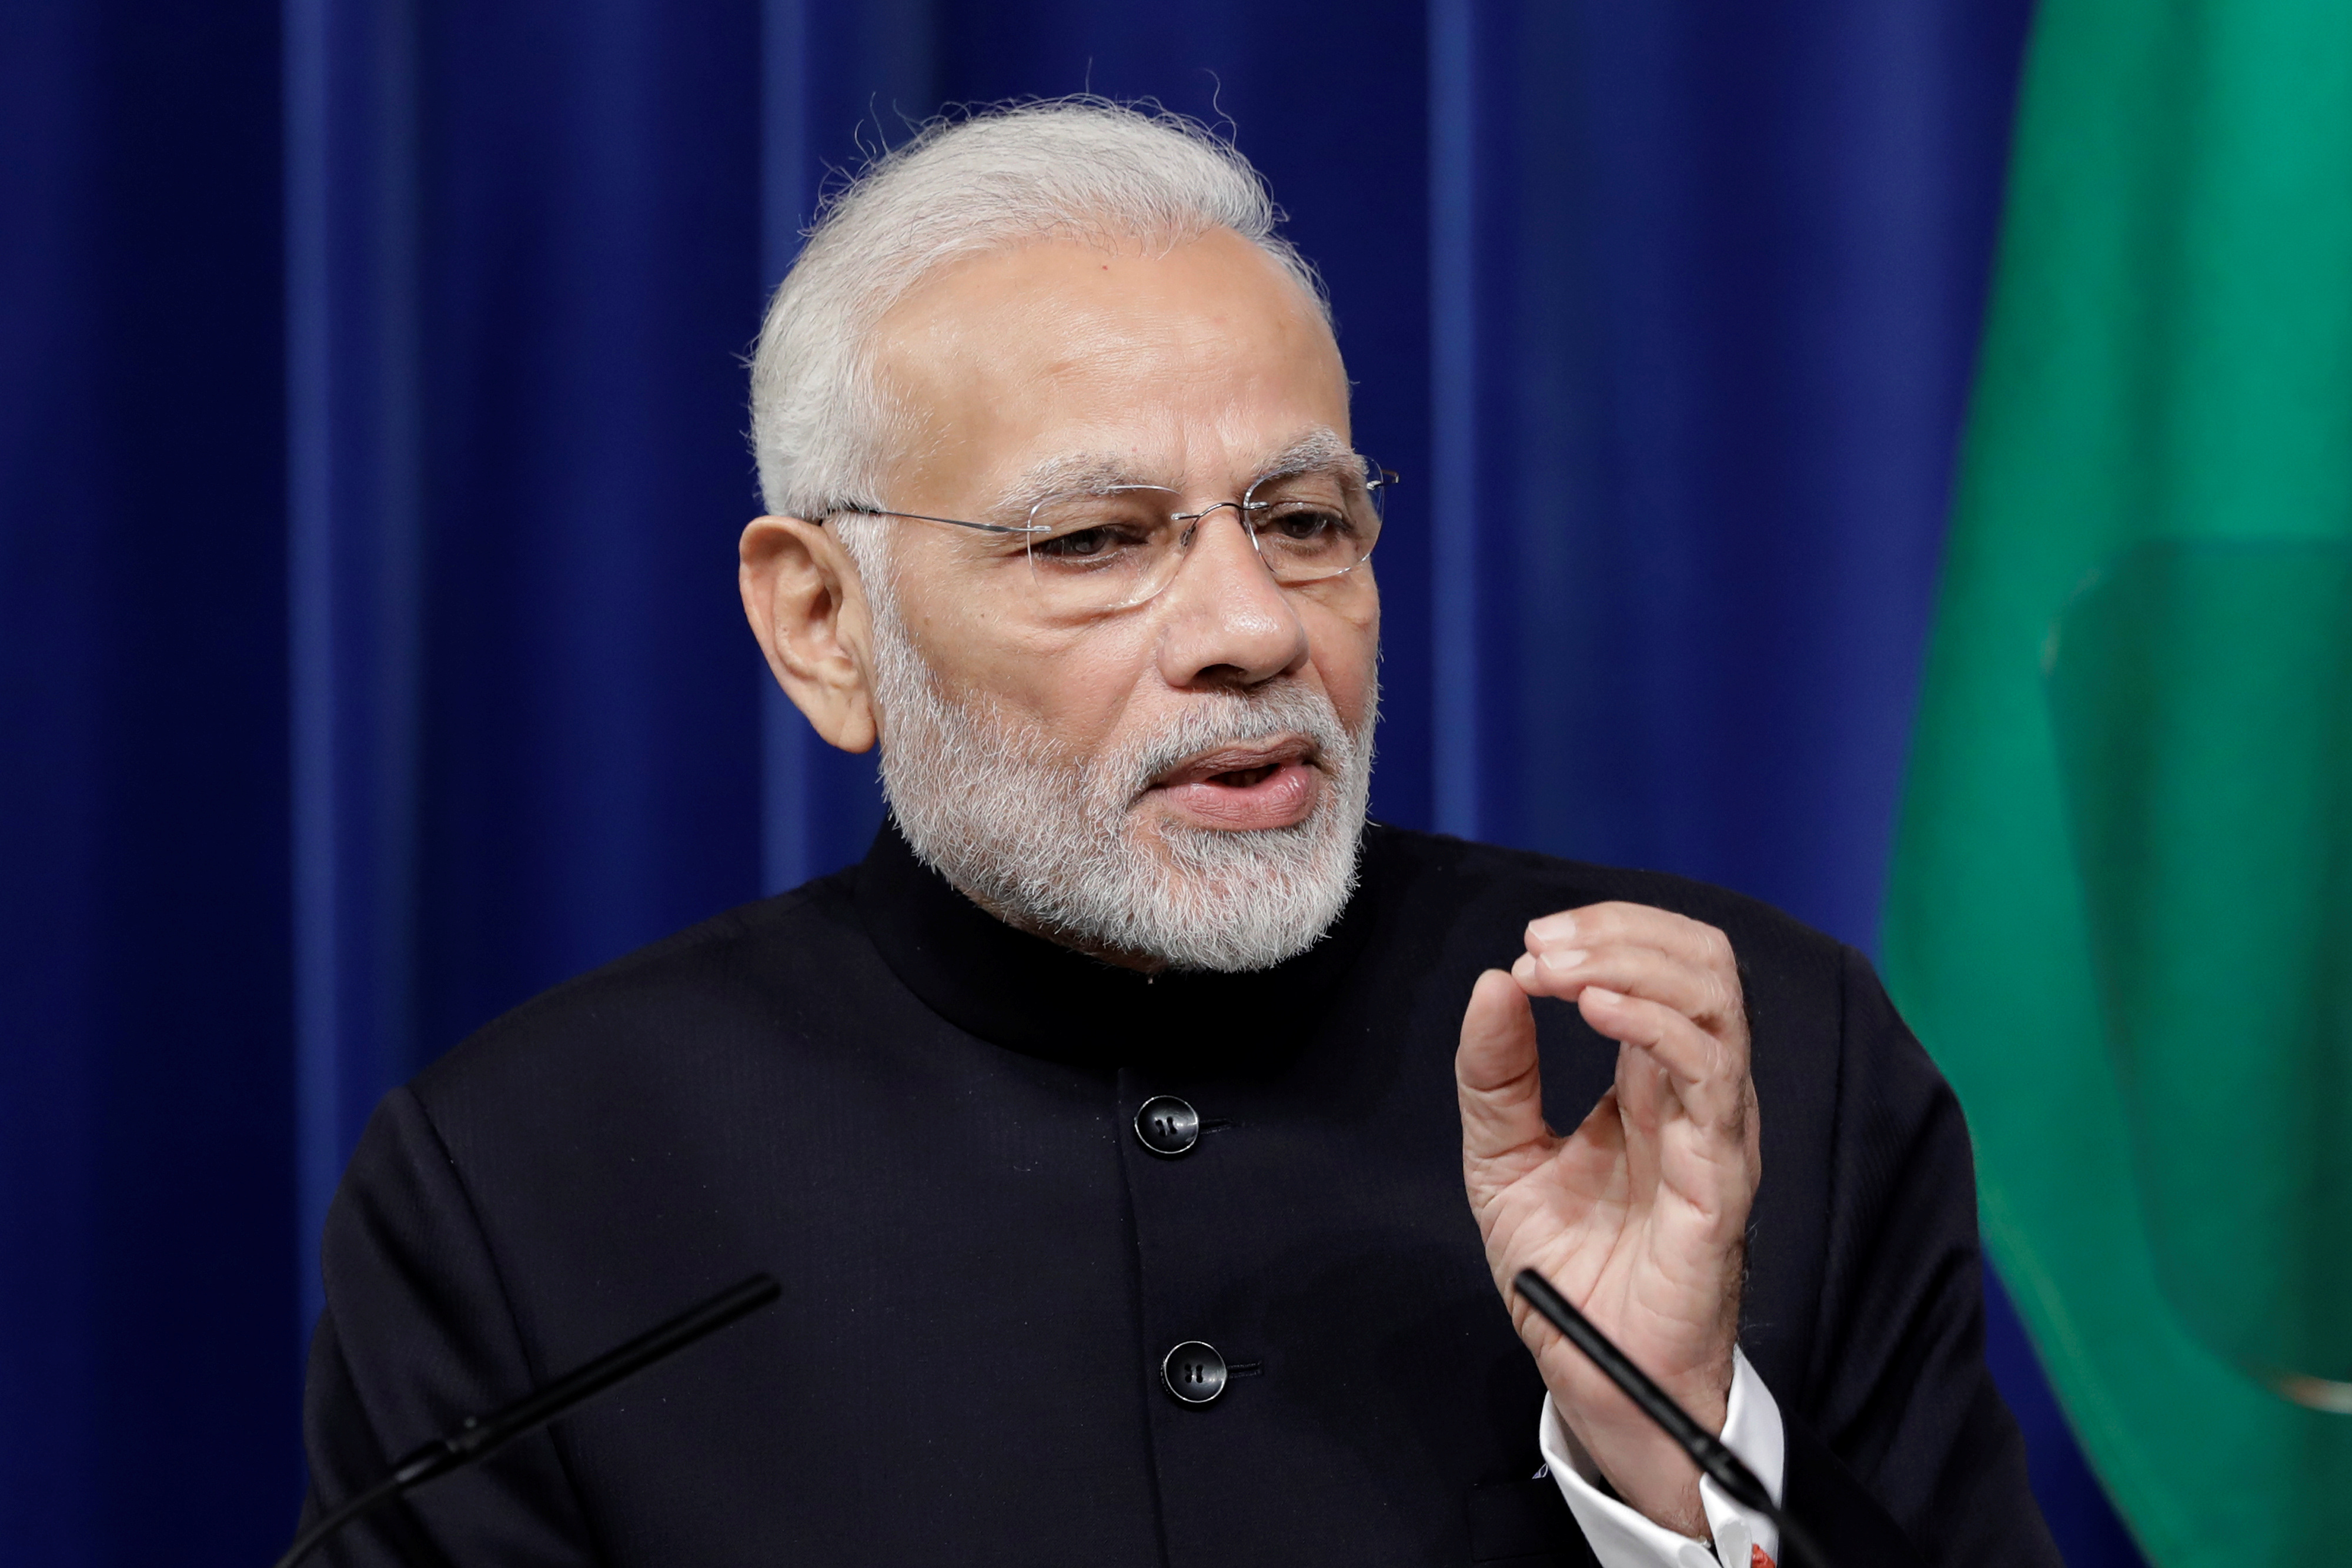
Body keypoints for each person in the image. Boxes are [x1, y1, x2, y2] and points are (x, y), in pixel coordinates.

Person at [298, 101, 2060, 1568]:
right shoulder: (531, 1180)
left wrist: (1676, 1454)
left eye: (1303, 519)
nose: (1255, 627)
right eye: (1096, 542)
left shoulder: (1728, 1069)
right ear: (826, 623)